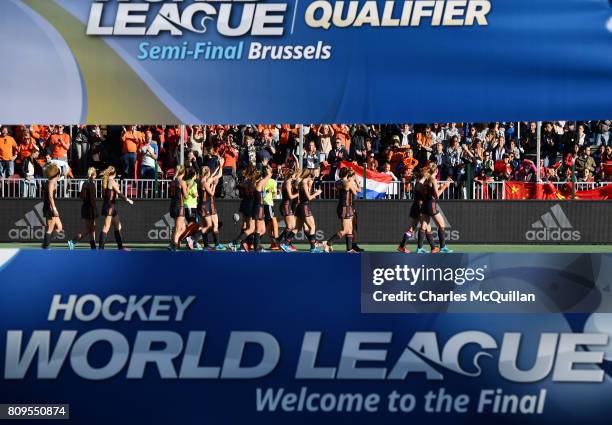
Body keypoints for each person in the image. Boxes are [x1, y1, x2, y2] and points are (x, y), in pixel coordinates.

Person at [417, 163, 453, 254]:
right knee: (441, 224)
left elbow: (430, 191)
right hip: (430, 204)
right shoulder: (433, 179)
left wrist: (441, 186)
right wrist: (445, 186)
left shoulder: (426, 178)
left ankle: (419, 248)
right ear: (436, 171)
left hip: (425, 204)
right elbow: (437, 195)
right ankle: (443, 247)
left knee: (424, 226)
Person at [98, 166, 134, 250]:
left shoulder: (106, 180)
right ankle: (100, 249)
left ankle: (120, 247)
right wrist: (128, 200)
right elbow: (120, 193)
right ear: (114, 173)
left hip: (110, 206)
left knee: (118, 225)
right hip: (110, 206)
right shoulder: (111, 181)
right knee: (106, 227)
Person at [324, 167, 358, 253]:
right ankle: (328, 243)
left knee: (350, 229)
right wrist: (354, 181)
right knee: (346, 229)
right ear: (347, 174)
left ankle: (349, 249)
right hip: (345, 207)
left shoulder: (338, 182)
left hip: (344, 206)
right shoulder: (347, 183)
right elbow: (356, 193)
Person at [68, 167, 99, 250]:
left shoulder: (85, 183)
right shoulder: (91, 184)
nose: (96, 175)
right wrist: (94, 210)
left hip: (86, 208)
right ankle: (73, 241)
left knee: (92, 229)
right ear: (92, 175)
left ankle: (93, 246)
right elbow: (92, 199)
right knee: (90, 229)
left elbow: (82, 196)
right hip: (90, 209)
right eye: (95, 173)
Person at [229, 165, 257, 252]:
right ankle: (235, 242)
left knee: (245, 225)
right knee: (251, 228)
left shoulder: (245, 181)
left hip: (244, 204)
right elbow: (255, 194)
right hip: (250, 205)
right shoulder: (252, 183)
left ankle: (242, 244)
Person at [295, 169, 323, 253]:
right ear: (309, 175)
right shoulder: (304, 182)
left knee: (298, 228)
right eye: (311, 177)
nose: (311, 179)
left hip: (302, 206)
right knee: (312, 227)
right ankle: (313, 248)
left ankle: (286, 243)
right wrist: (317, 193)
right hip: (304, 207)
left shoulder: (303, 182)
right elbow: (309, 198)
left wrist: (311, 189)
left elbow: (307, 196)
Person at [41, 163, 63, 249]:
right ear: (56, 174)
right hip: (49, 208)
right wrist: (54, 208)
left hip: (51, 207)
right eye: (59, 173)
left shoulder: (53, 182)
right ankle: (46, 246)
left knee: (59, 227)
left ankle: (45, 242)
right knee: (50, 229)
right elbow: (50, 197)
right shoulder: (51, 183)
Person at [279, 168, 300, 252]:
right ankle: (285, 244)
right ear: (291, 175)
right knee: (290, 226)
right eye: (294, 175)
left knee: (291, 226)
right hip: (285, 206)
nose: (295, 176)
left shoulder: (288, 182)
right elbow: (290, 196)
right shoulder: (287, 183)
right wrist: (299, 193)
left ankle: (281, 242)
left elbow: (297, 174)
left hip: (287, 205)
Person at [168, 165, 188, 251]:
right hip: (179, 206)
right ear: (183, 172)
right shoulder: (182, 182)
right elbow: (186, 195)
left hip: (173, 205)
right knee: (178, 228)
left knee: (182, 228)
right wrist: (189, 186)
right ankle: (174, 245)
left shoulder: (173, 180)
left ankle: (171, 244)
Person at [263, 168, 281, 250]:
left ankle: (273, 243)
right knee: (271, 224)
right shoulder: (272, 181)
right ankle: (275, 243)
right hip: (267, 204)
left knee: (269, 224)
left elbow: (273, 195)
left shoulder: (261, 180)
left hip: (261, 204)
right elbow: (274, 195)